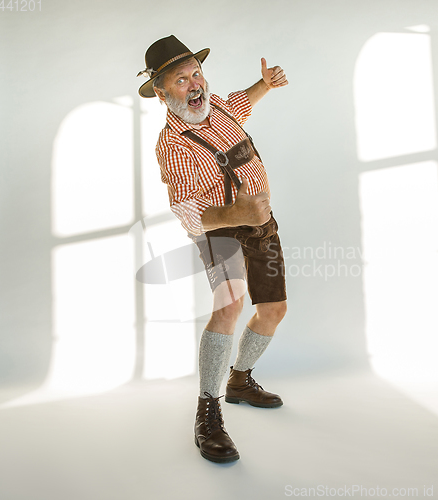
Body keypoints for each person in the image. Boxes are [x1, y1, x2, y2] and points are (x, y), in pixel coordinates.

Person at [137, 35, 288, 463]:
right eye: (181, 80)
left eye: (196, 73)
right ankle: (208, 410)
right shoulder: (173, 143)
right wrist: (237, 212)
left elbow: (240, 103)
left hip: (261, 224)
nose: (194, 84)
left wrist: (265, 86)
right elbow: (188, 213)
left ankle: (239, 381)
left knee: (274, 308)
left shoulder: (217, 104)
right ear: (163, 93)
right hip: (220, 231)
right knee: (229, 304)